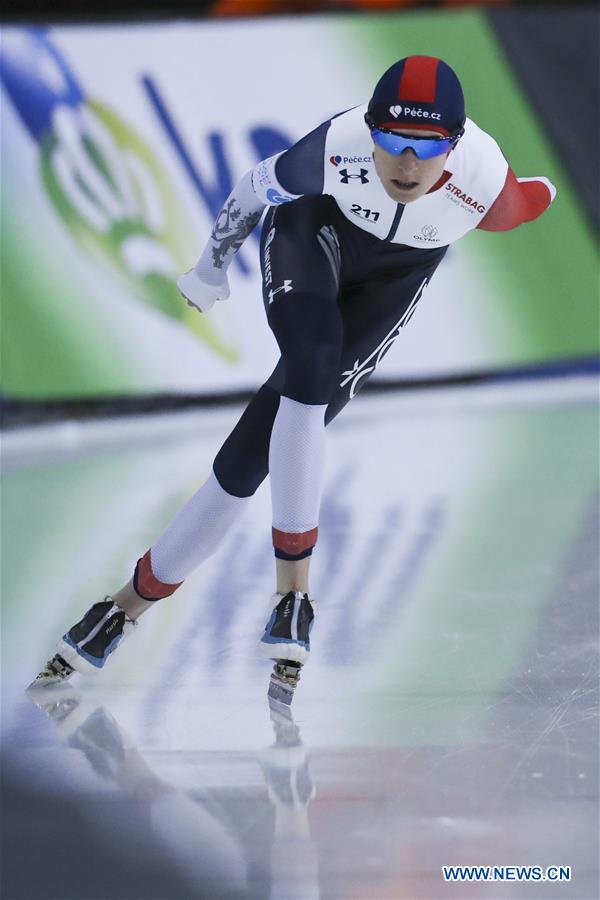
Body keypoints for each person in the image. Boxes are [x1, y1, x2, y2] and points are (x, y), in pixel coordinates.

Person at [31, 56, 556, 702]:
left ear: (455, 145)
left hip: (397, 276)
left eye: (427, 148)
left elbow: (530, 201)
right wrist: (209, 266)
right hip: (314, 231)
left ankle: (119, 610)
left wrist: (545, 191)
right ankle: (294, 596)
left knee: (257, 446)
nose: (407, 165)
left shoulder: (484, 182)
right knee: (312, 359)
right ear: (369, 133)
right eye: (392, 141)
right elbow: (254, 189)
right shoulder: (334, 151)